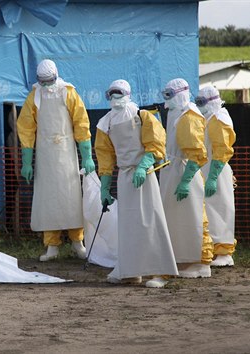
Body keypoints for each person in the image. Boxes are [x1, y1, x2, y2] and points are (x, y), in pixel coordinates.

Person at [94, 79, 178, 288]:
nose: (115, 98)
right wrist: (104, 187)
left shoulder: (143, 117)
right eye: (111, 94)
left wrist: (145, 165)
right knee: (128, 226)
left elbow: (156, 143)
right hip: (124, 177)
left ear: (128, 94)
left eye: (119, 93)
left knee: (150, 220)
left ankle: (160, 271)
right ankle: (130, 271)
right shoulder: (106, 124)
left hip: (144, 175)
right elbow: (105, 157)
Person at [17, 59, 95, 262]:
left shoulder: (68, 93)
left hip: (67, 153)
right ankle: (52, 245)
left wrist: (86, 155)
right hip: (45, 155)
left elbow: (81, 122)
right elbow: (26, 127)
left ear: (56, 76)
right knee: (47, 199)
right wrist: (27, 161)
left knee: (71, 198)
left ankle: (78, 242)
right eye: (43, 81)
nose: (47, 85)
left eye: (49, 81)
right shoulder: (34, 96)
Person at [158, 78, 213, 278]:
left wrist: (185, 181)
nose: (167, 101)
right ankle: (184, 259)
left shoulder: (189, 116)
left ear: (180, 94)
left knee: (195, 218)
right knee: (177, 218)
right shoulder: (175, 113)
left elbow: (197, 153)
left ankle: (202, 262)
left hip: (183, 171)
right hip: (172, 170)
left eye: (170, 95)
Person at [195, 86, 237, 267]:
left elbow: (223, 149)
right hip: (207, 170)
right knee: (210, 210)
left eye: (202, 102)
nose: (199, 106)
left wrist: (213, 176)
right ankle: (212, 249)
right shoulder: (208, 118)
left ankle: (225, 253)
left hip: (217, 171)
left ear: (212, 100)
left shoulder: (219, 118)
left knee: (221, 210)